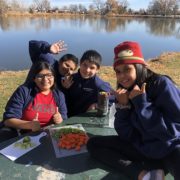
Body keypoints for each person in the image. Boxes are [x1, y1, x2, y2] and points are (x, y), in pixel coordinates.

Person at [87, 41, 180, 180]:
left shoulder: (160, 84)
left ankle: (156, 166)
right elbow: (126, 135)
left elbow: (171, 132)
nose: (122, 76)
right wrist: (123, 107)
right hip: (143, 149)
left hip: (169, 149)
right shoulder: (124, 92)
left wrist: (142, 104)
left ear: (139, 67)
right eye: (118, 71)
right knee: (93, 144)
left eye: (127, 69)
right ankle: (145, 175)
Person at [0, 61, 67, 142]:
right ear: (34, 78)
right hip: (23, 136)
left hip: (48, 137)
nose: (45, 79)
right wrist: (29, 125)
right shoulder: (24, 91)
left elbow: (63, 118)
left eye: (49, 75)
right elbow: (8, 120)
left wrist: (60, 119)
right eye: (40, 76)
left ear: (54, 77)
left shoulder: (59, 95)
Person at [65, 49, 113, 117]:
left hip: (85, 118)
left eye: (92, 68)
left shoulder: (99, 84)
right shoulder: (70, 79)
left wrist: (96, 105)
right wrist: (64, 88)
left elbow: (113, 100)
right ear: (80, 64)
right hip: (67, 115)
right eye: (85, 65)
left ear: (97, 70)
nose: (87, 70)